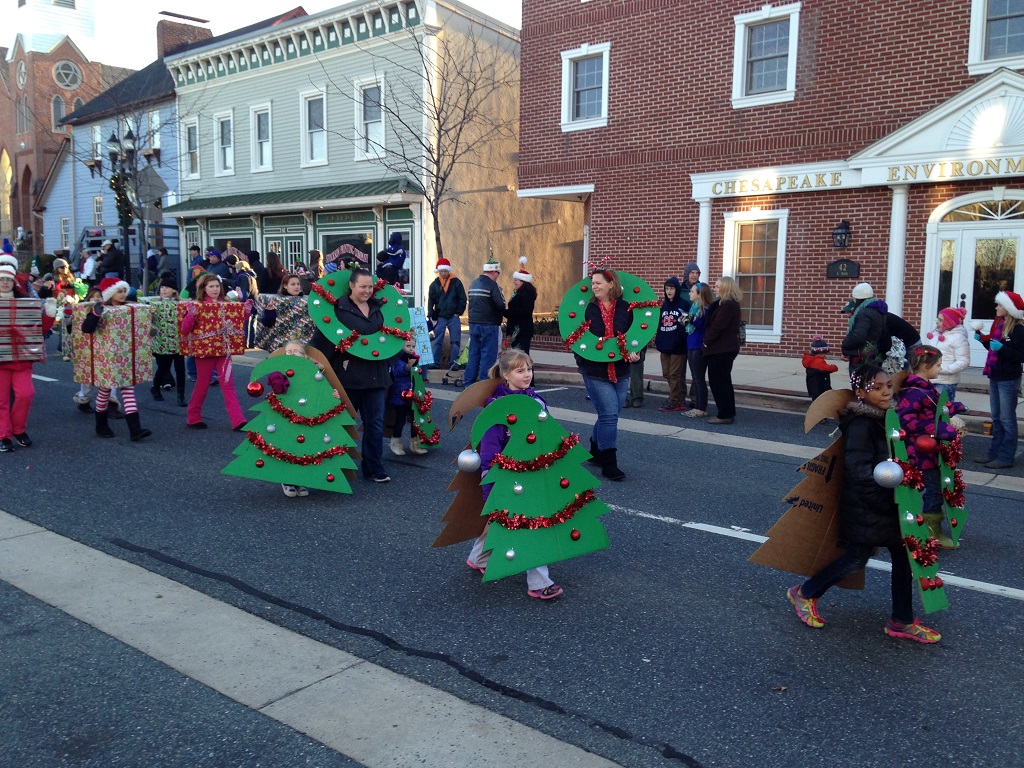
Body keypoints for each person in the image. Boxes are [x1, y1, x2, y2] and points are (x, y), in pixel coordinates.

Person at [787, 365, 941, 644]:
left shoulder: (887, 418)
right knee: (856, 558)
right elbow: (859, 472)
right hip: (868, 506)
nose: (886, 392)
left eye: (888, 386)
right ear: (860, 392)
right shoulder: (861, 425)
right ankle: (805, 593)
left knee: (903, 557)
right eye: (877, 388)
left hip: (891, 503)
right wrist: (883, 503)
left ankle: (902, 620)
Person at [465, 349, 564, 599]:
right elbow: (489, 449)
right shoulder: (498, 408)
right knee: (532, 526)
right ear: (506, 375)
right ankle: (539, 582)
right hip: (509, 477)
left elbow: (546, 436)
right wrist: (490, 482)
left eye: (529, 369)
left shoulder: (537, 401)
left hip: (535, 473)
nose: (527, 374)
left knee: (506, 521)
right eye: (520, 371)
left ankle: (479, 557)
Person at [309, 268, 393, 483]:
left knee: (375, 424)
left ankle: (374, 468)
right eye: (363, 286)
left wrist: (394, 359)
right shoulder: (339, 311)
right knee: (341, 424)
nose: (367, 291)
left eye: (370, 287)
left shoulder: (378, 309)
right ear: (351, 286)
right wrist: (314, 362)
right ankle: (334, 468)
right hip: (348, 378)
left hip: (376, 377)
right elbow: (322, 339)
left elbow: (390, 341)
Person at [896, 345, 966, 549]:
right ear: (926, 366)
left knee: (934, 487)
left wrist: (955, 408)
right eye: (938, 365)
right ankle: (931, 530)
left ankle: (920, 525)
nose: (940, 369)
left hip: (931, 450)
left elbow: (937, 407)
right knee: (933, 489)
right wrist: (939, 429)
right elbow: (906, 422)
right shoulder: (914, 392)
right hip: (919, 452)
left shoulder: (926, 388)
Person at [575, 269, 642, 481]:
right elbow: (576, 335)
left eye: (598, 283)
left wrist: (636, 353)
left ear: (611, 284)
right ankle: (609, 462)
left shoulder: (625, 308)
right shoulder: (588, 309)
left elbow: (637, 334)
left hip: (621, 369)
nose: (594, 286)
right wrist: (582, 359)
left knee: (609, 414)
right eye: (592, 283)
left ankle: (595, 448)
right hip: (595, 370)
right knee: (609, 415)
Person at [81, 278, 152, 441]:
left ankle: (135, 429)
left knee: (128, 391)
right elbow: (86, 328)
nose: (123, 294)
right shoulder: (101, 309)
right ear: (110, 293)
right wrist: (95, 314)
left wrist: (149, 330)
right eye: (119, 291)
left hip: (125, 357)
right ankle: (101, 425)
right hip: (106, 358)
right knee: (104, 391)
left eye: (124, 291)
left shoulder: (130, 309)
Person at [0, 260, 57, 452]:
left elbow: (39, 330)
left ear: (13, 282)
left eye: (8, 279)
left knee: (26, 394)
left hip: (22, 360)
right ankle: (4, 435)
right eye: (1, 279)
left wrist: (49, 314)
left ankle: (18, 429)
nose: (5, 283)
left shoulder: (25, 303)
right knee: (1, 400)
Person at [180, 273, 247, 431]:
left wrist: (247, 311)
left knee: (228, 384)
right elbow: (185, 329)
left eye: (217, 286)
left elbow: (237, 322)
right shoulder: (197, 305)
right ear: (203, 288)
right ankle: (193, 417)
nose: (215, 289)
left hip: (224, 351)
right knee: (202, 384)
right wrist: (191, 315)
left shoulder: (227, 304)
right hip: (205, 352)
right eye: (211, 286)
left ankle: (238, 420)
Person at [973, 290, 1024, 469]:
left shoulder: (1018, 330)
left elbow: (1021, 356)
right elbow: (994, 349)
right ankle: (994, 453)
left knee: (1007, 419)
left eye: (1000, 304)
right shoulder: (999, 325)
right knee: (996, 417)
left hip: (1008, 378)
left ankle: (1006, 457)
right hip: (996, 375)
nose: (996, 307)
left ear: (1009, 308)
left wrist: (1002, 348)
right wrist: (983, 341)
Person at [703, 275, 743, 425]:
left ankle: (725, 414)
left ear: (726, 288)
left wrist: (706, 342)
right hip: (721, 349)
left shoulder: (728, 306)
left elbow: (718, 327)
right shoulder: (722, 304)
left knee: (719, 382)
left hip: (722, 350)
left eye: (717, 286)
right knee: (723, 381)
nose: (714, 289)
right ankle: (728, 411)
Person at [465, 258, 506, 386]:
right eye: (498, 274)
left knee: (474, 353)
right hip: (489, 324)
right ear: (494, 272)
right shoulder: (492, 285)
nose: (497, 276)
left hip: (473, 323)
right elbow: (501, 304)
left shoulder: (473, 284)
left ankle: (468, 382)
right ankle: (484, 383)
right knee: (488, 355)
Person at [388, 338, 428, 456]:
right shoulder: (398, 358)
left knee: (415, 420)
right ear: (402, 346)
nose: (411, 349)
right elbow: (397, 371)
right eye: (408, 346)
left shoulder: (414, 359)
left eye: (413, 346)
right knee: (400, 420)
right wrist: (407, 367)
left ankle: (415, 444)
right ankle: (396, 443)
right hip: (400, 395)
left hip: (413, 395)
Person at [150, 278, 187, 407]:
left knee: (180, 369)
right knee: (164, 367)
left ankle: (181, 396)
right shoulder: (154, 304)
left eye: (167, 287)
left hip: (178, 341)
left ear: (174, 290)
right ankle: (155, 387)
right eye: (162, 287)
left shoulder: (181, 304)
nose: (164, 290)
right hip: (163, 341)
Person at [655, 275, 689, 412]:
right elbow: (659, 324)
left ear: (677, 290)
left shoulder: (684, 304)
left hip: (678, 346)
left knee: (675, 374)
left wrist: (678, 340)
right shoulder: (663, 305)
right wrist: (658, 339)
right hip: (664, 343)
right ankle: (679, 397)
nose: (669, 291)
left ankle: (675, 400)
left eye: (672, 288)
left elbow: (685, 325)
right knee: (667, 373)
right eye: (667, 288)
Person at [427, 257, 467, 369]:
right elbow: (430, 300)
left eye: (445, 271)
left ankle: (453, 363)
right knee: (438, 340)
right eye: (441, 271)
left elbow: (462, 298)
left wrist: (458, 312)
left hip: (453, 316)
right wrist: (431, 314)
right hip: (440, 316)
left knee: (455, 341)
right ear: (438, 271)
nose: (444, 273)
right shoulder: (434, 284)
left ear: (448, 270)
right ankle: (435, 363)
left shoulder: (456, 282)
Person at [682, 282, 714, 418]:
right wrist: (685, 319)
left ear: (700, 294)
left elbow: (701, 324)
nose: (690, 293)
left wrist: (691, 319)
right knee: (695, 377)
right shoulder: (694, 307)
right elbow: (690, 323)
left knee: (699, 378)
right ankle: (698, 406)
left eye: (692, 291)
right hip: (691, 343)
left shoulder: (705, 309)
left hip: (699, 345)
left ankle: (701, 408)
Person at [924, 306, 970, 399]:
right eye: (938, 319)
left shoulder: (959, 338)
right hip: (931, 379)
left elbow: (964, 362)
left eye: (940, 320)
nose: (937, 322)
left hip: (945, 382)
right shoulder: (936, 335)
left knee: (942, 407)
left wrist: (940, 369)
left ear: (949, 322)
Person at [840, 282, 887, 372]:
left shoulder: (864, 313)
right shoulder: (878, 312)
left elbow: (858, 336)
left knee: (860, 379)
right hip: (874, 353)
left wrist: (846, 346)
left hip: (861, 356)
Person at [505, 257, 537, 354]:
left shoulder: (527, 295)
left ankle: (526, 365)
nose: (514, 282)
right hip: (516, 329)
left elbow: (523, 311)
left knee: (521, 354)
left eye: (516, 280)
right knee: (517, 354)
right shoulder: (518, 293)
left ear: (522, 282)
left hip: (522, 330)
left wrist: (505, 312)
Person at [803, 336, 839, 400]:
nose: (825, 355)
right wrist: (834, 367)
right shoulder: (818, 361)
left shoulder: (810, 360)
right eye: (824, 353)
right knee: (820, 399)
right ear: (819, 353)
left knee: (815, 398)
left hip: (812, 386)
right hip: (820, 387)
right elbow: (828, 368)